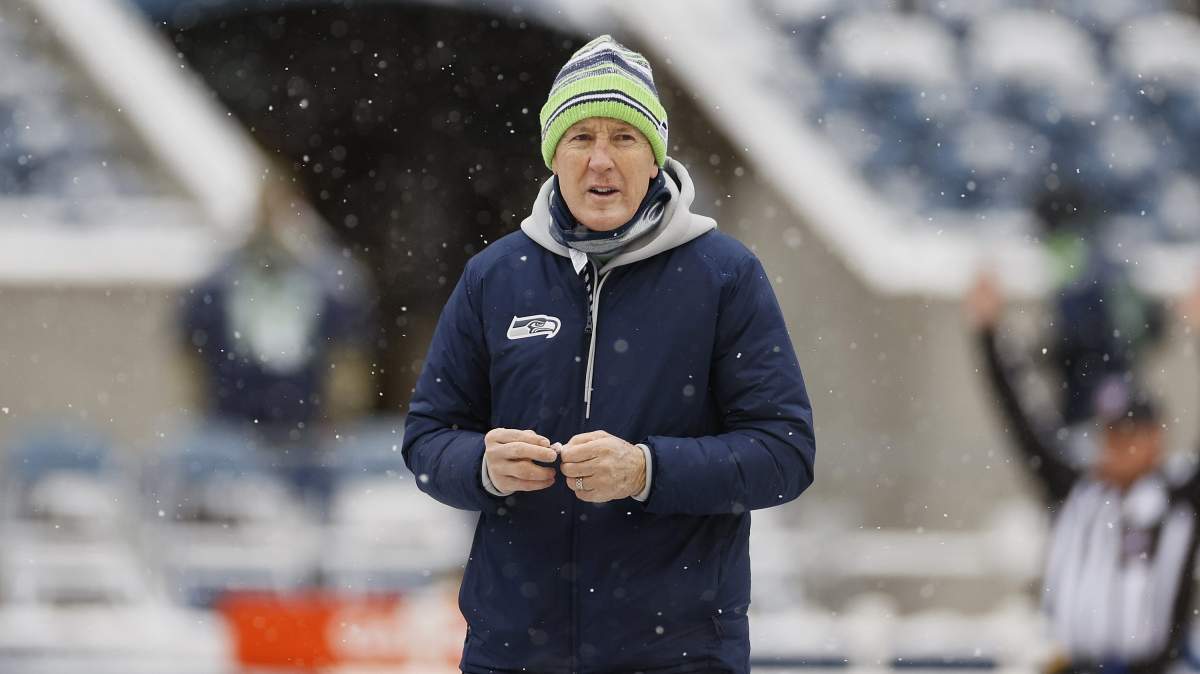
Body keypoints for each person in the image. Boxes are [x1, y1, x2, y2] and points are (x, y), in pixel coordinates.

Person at [403, 35, 816, 673]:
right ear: (553, 156)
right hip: (514, 652)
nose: (601, 160)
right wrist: (482, 464)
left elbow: (783, 453)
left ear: (654, 159)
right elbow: (428, 437)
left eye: (623, 137)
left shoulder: (724, 275)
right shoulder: (494, 276)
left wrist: (647, 471)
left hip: (678, 655)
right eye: (581, 138)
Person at [968, 274, 1200, 674]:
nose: (1120, 444)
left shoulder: (1178, 498)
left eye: (1130, 433)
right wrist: (988, 333)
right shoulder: (1075, 491)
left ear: (1156, 438)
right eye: (1112, 431)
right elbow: (1021, 421)